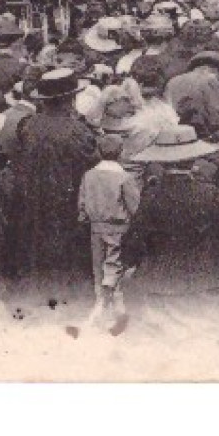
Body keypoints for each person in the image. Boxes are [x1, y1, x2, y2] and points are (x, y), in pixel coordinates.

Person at [122, 124, 219, 339]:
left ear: (162, 161)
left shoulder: (152, 196)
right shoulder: (208, 193)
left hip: (163, 280)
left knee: (168, 343)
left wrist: (132, 263)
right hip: (205, 277)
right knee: (208, 341)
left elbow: (135, 239)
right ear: (193, 159)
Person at [12, 68, 99, 300]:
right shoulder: (78, 131)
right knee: (67, 259)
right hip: (66, 203)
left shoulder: (26, 126)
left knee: (35, 253)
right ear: (70, 98)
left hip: (31, 202)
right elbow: (92, 165)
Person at [77, 131, 141, 331]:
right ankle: (116, 303)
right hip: (118, 227)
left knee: (98, 264)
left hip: (95, 227)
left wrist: (85, 217)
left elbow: (82, 202)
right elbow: (134, 205)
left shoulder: (89, 175)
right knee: (114, 264)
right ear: (121, 152)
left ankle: (100, 302)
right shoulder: (124, 177)